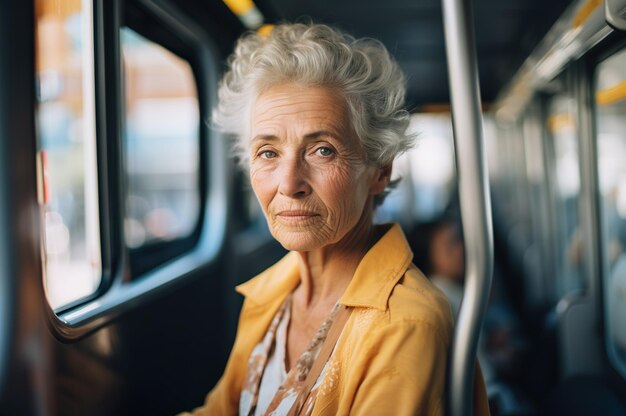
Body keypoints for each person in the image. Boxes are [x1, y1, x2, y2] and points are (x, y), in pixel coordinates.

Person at [181, 23, 489, 416]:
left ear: (379, 170)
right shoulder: (273, 294)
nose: (289, 184)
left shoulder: (408, 323)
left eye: (322, 150)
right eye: (268, 153)